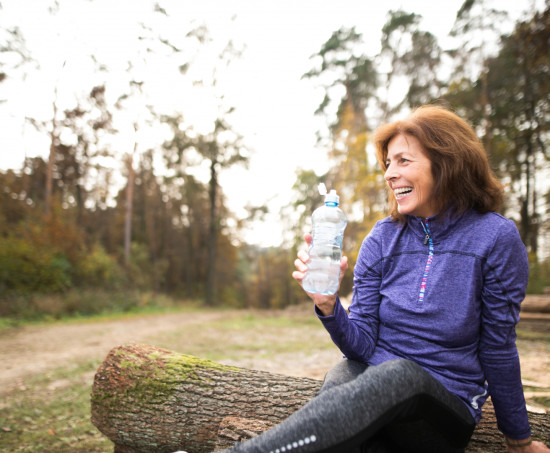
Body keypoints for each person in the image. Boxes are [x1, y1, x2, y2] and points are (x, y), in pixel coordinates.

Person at [219, 105, 550, 453]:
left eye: (403, 161)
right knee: (345, 373)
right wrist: (329, 304)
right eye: (388, 163)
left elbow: (498, 347)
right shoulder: (381, 238)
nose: (390, 174)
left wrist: (519, 441)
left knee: (398, 374)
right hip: (374, 397)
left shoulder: (495, 238)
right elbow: (360, 345)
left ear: (447, 163)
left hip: (442, 409)